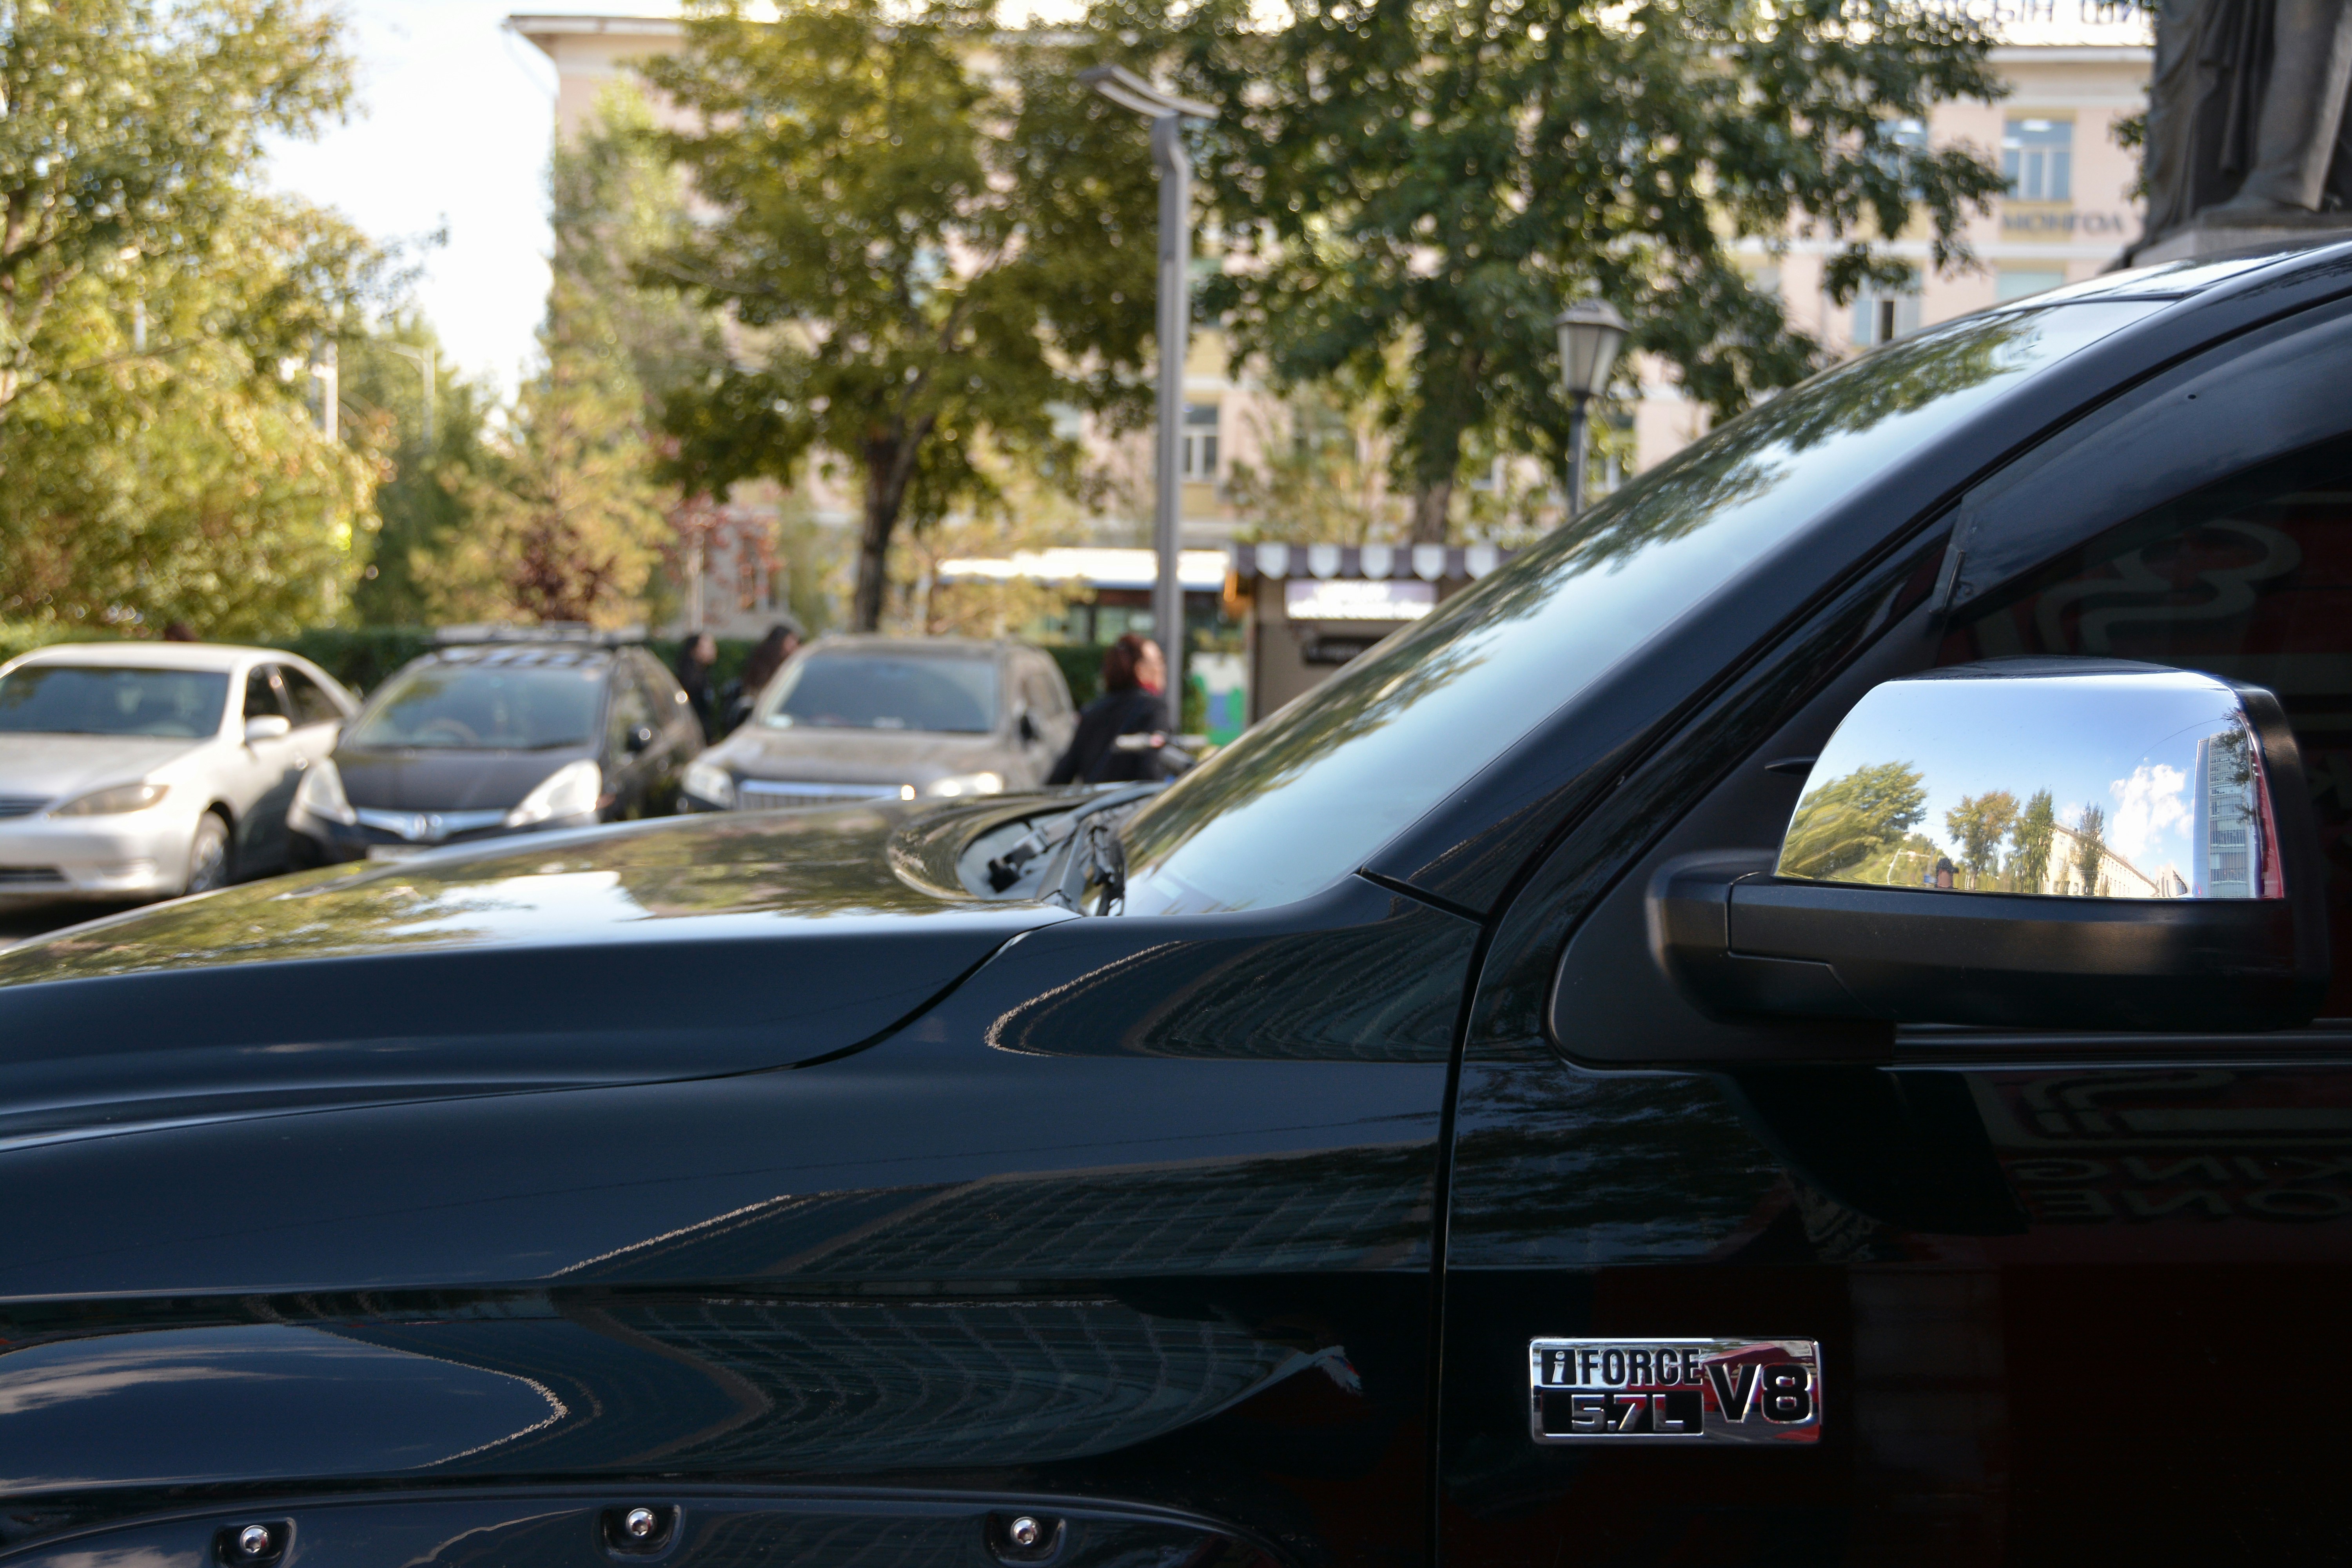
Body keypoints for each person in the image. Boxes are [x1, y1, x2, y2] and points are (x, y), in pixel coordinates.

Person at [1049, 634, 1172, 785]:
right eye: (1159, 661)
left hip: (1095, 804)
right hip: (1133, 805)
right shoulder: (1153, 709)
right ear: (1140, 670)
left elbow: (1062, 775)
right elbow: (1152, 771)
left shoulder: (1092, 712)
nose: (1163, 668)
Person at [723, 617, 802, 733]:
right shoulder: (766, 668)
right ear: (781, 642)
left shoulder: (789, 664)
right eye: (791, 642)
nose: (795, 647)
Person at [675, 632, 719, 741]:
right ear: (694, 651)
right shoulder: (692, 682)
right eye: (708, 647)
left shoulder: (703, 675)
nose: (714, 650)